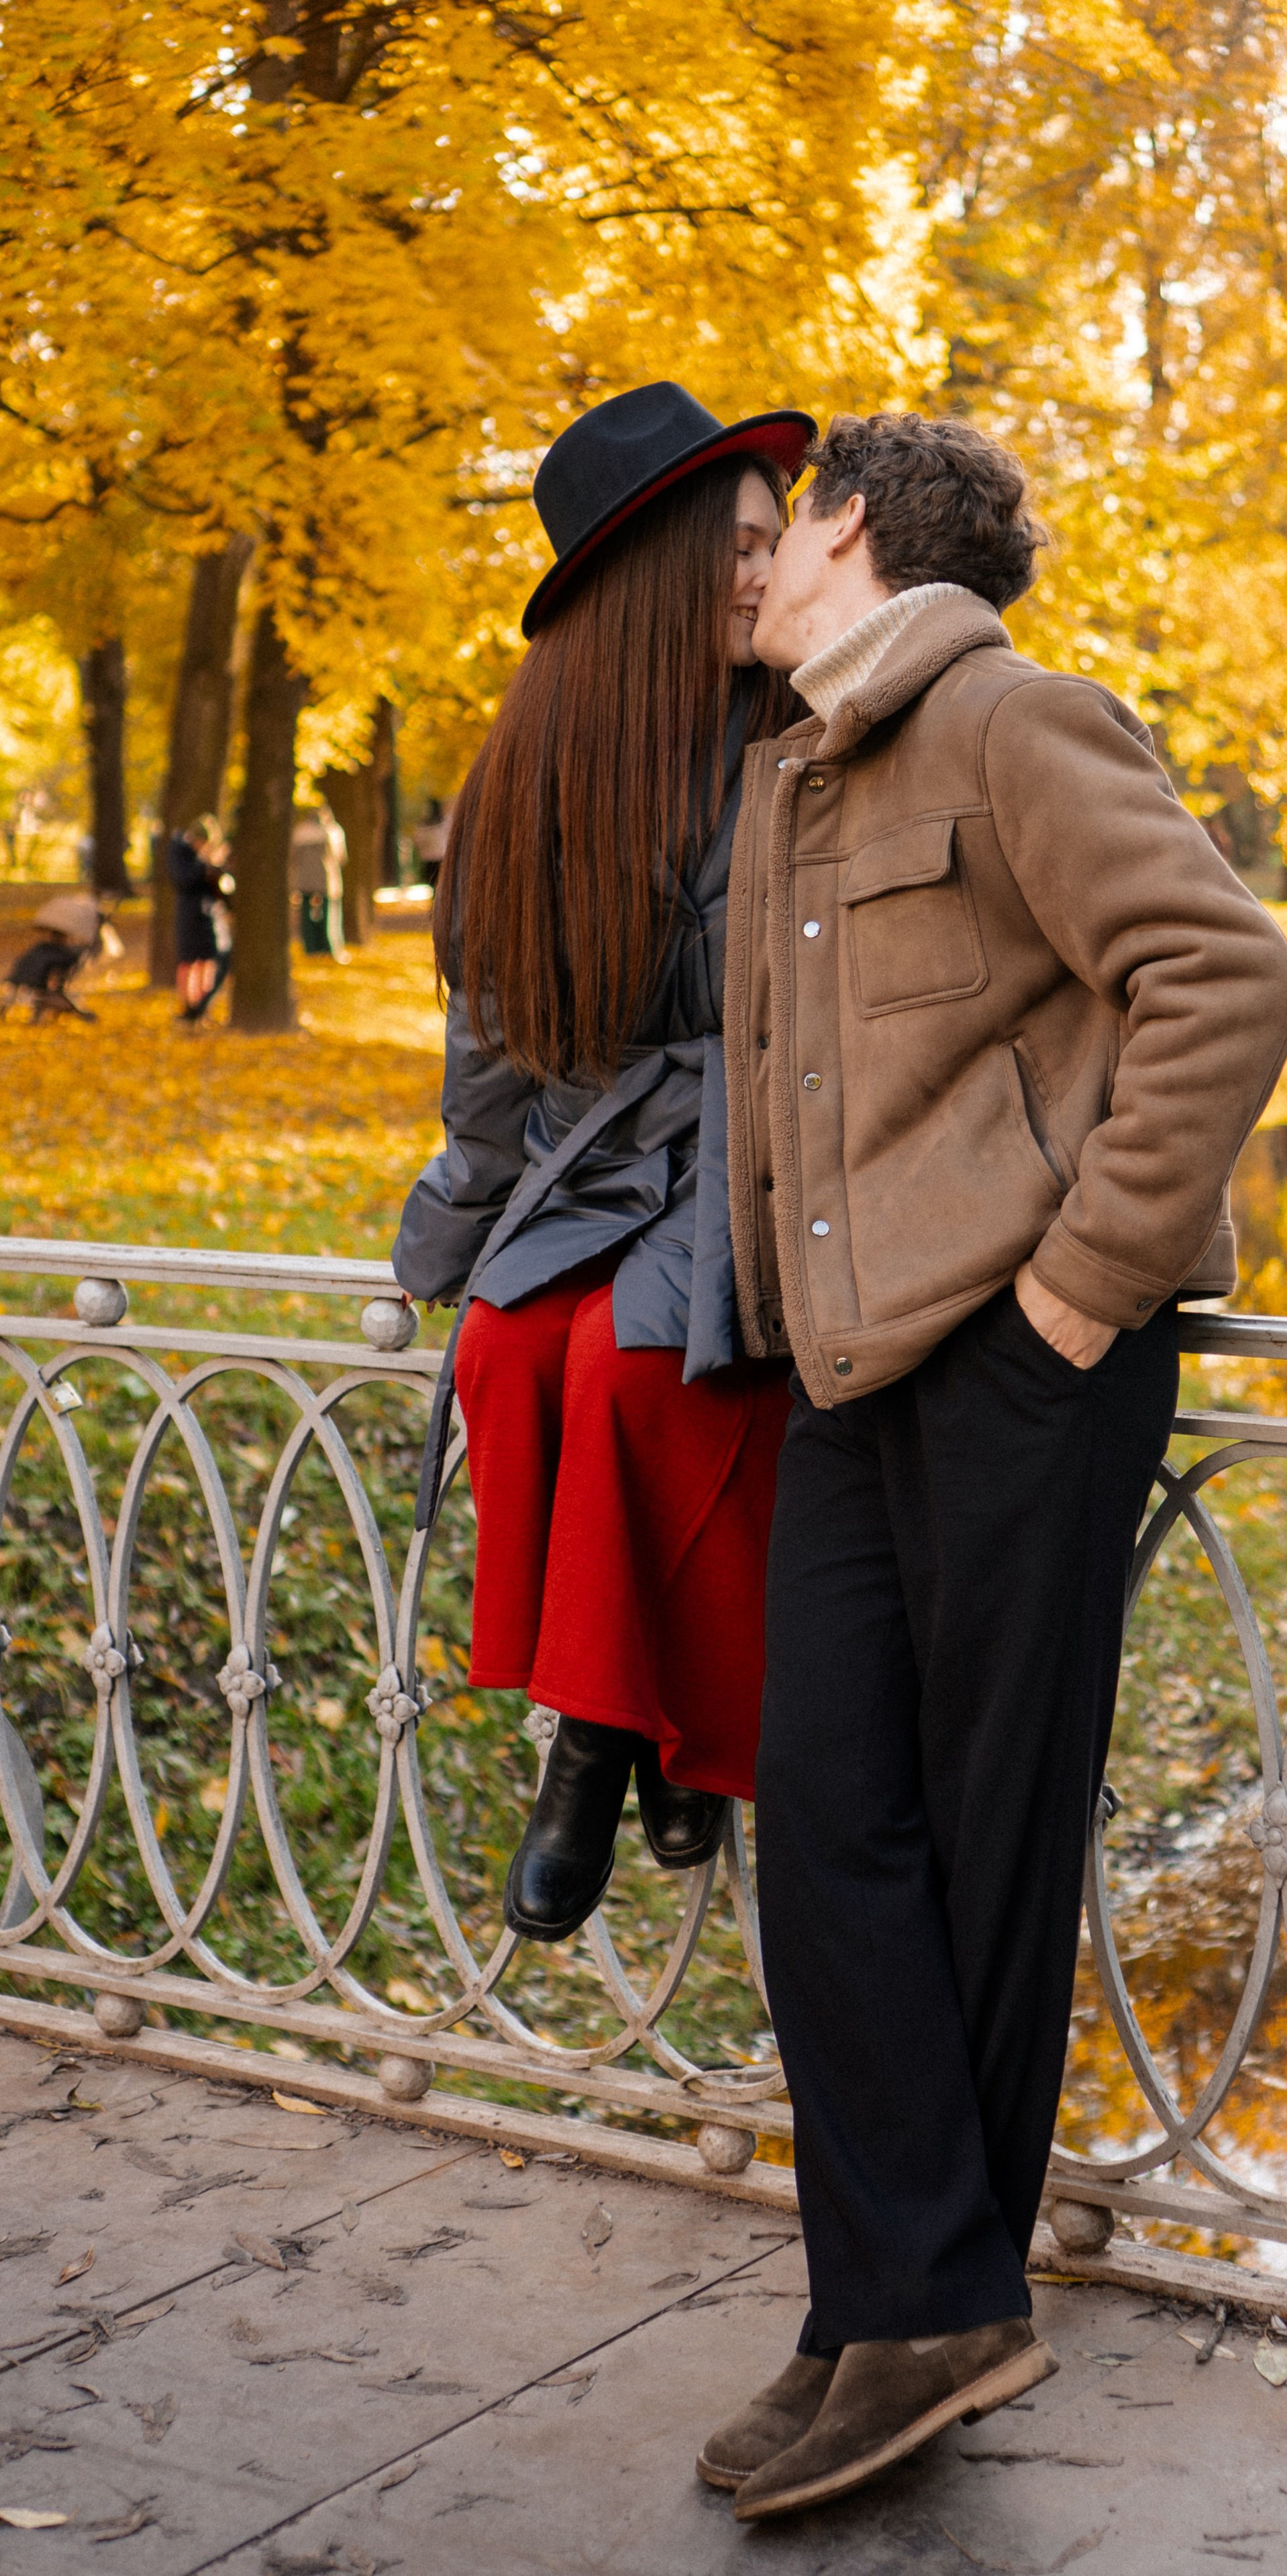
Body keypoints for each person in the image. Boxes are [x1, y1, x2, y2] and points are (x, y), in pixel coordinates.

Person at [694, 413, 1287, 2518]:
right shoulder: (797, 771)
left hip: (1024, 1354)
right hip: (853, 1373)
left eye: (777, 534)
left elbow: (1219, 975)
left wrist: (1079, 1289)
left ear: (853, 527)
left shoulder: (1014, 723)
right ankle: (895, 2297)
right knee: (833, 1821)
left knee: (977, 1836)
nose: (746, 568)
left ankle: (913, 2308)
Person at [392, 381, 815, 1945]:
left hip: (768, 1144)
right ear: (655, 572)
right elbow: (496, 1038)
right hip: (602, 1152)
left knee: (646, 1367)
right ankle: (633, 1722)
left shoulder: (810, 729)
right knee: (505, 1349)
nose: (772, 575)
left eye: (777, 542)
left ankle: (605, 1740)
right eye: (745, 548)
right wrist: (450, 1224)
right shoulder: (539, 772)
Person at [166, 816, 223, 1018]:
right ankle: (189, 1004)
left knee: (208, 959)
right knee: (189, 960)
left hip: (208, 913)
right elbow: (183, 880)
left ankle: (203, 1004)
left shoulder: (202, 858)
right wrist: (203, 865)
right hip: (189, 912)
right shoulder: (180, 851)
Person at [291, 805, 346, 956]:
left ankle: (310, 946)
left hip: (303, 880)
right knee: (330, 915)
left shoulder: (299, 831)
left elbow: (293, 858)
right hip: (326, 880)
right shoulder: (332, 831)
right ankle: (329, 946)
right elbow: (340, 857)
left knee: (306, 916)